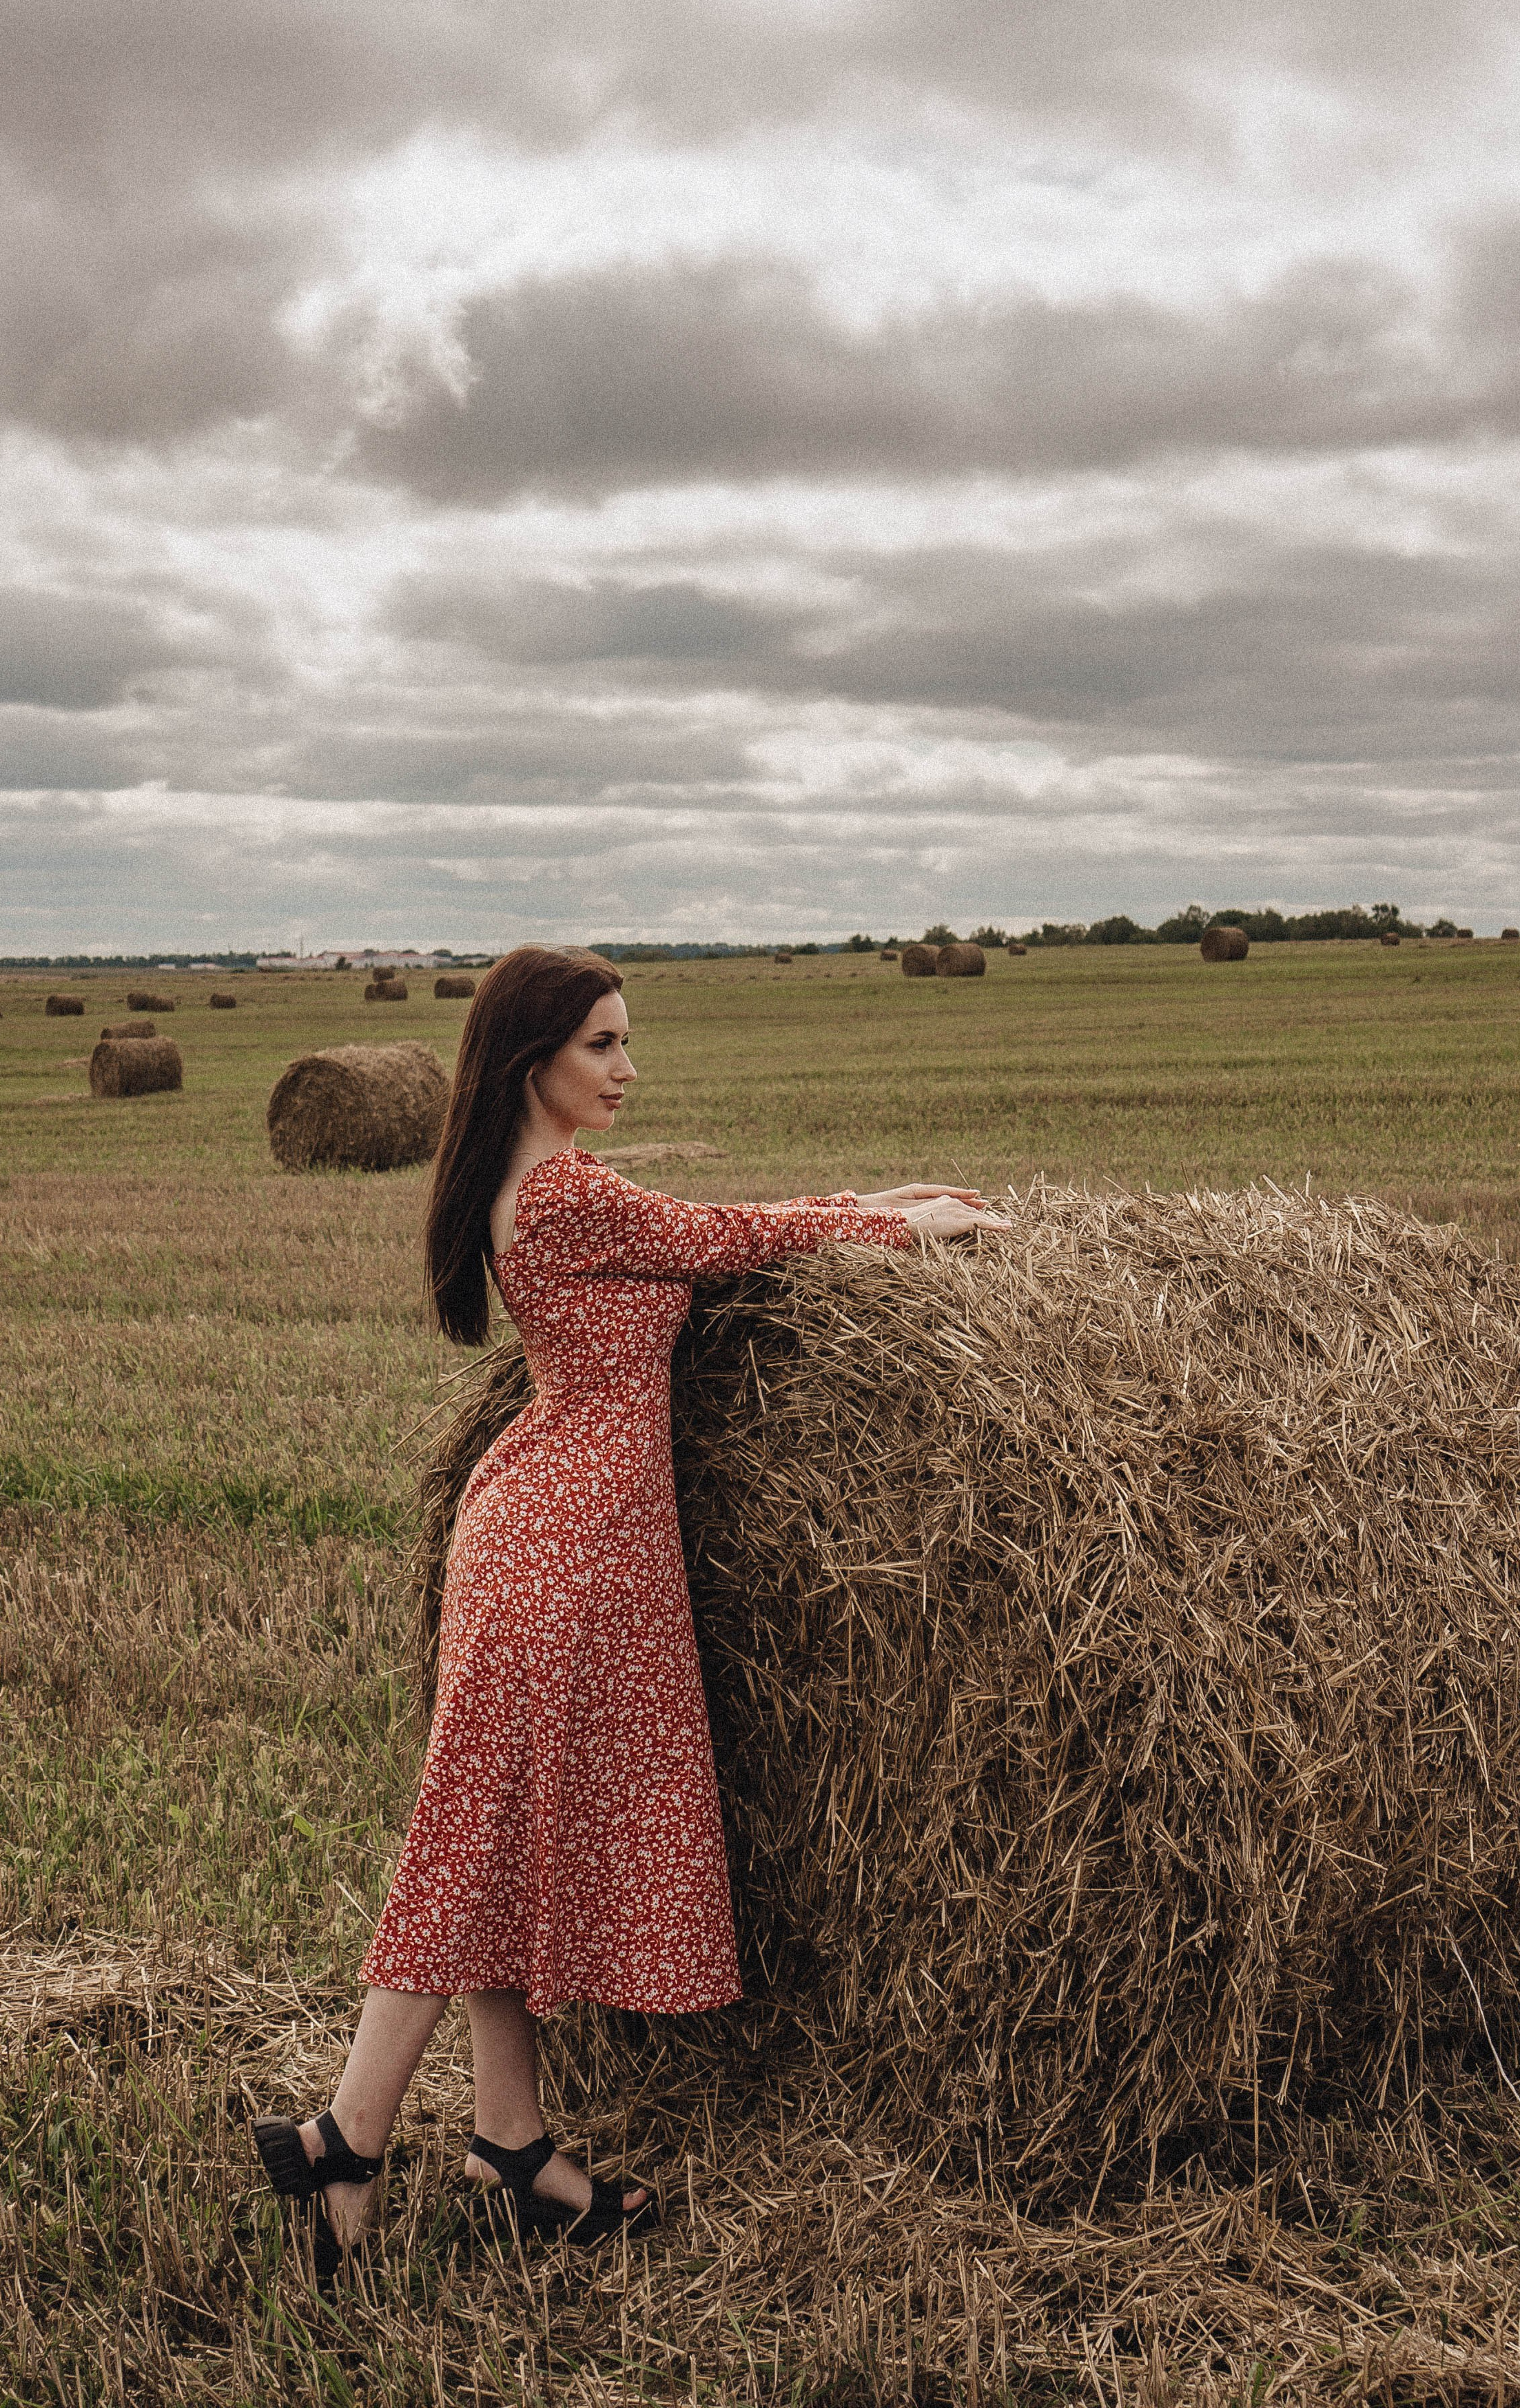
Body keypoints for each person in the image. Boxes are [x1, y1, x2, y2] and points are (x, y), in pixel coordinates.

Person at [252, 944, 1004, 2274]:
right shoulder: (565, 1197)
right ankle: (346, 2139)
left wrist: (877, 1200)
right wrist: (897, 1223)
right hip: (565, 1551)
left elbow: (721, 1227)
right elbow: (727, 1239)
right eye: (603, 1043)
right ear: (533, 1055)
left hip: (540, 1531)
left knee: (492, 1842)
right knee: (466, 1849)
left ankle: (511, 2147)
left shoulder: (524, 1183)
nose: (627, 1066)